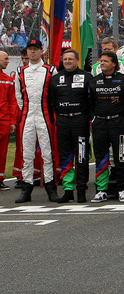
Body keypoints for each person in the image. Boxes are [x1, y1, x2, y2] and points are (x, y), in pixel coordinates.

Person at [13, 39, 58, 204]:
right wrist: (25, 110)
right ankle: (26, 189)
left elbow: (55, 94)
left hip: (45, 115)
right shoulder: (20, 71)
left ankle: (51, 188)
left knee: (47, 152)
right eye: (30, 49)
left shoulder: (50, 70)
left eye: (35, 49)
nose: (32, 52)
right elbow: (18, 96)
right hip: (27, 116)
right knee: (27, 153)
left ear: (41, 51)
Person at [88, 51, 124, 203]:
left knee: (120, 156)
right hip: (100, 123)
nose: (102, 63)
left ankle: (122, 189)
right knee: (101, 156)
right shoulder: (94, 81)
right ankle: (101, 190)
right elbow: (90, 103)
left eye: (105, 61)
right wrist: (95, 118)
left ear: (114, 63)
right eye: (101, 61)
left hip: (118, 123)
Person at [50, 49, 93, 203]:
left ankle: (81, 190)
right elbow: (52, 101)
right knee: (65, 156)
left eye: (70, 59)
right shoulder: (56, 79)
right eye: (65, 59)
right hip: (63, 121)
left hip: (80, 121)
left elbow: (91, 100)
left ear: (77, 60)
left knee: (81, 156)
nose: (67, 61)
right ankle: (68, 190)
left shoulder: (87, 77)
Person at [0, 50, 16, 190]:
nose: (8, 61)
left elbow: (12, 102)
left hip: (4, 120)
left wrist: (12, 122)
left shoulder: (8, 79)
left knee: (2, 151)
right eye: (5, 58)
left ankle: (0, 178)